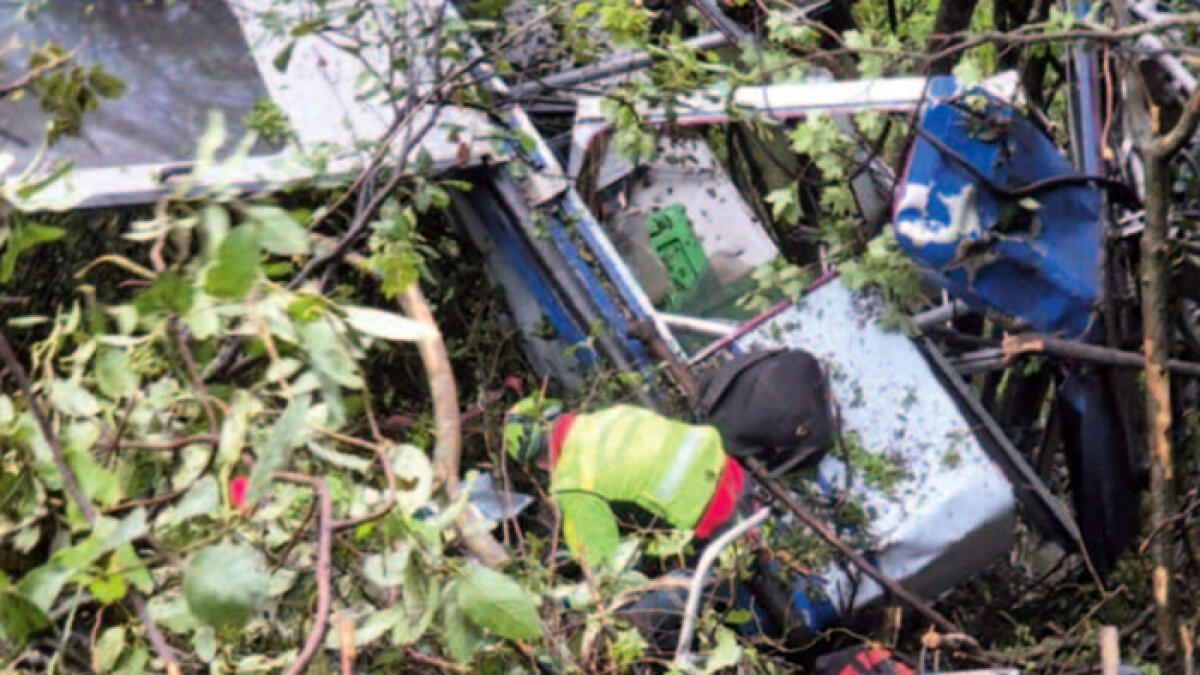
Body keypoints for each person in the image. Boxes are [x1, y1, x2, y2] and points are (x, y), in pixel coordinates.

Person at [503, 347, 836, 569]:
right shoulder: (610, 415)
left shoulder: (571, 483)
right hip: (734, 474)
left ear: (537, 462)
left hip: (713, 526)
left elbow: (603, 568)